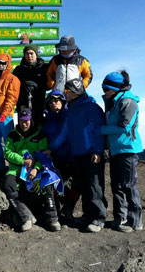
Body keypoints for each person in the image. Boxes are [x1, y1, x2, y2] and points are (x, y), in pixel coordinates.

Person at [54, 79, 107, 233]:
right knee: (83, 185)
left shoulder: (91, 107)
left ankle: (98, 219)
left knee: (94, 186)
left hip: (91, 153)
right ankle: (87, 216)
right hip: (77, 154)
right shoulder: (72, 109)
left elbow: (99, 130)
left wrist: (98, 151)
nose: (65, 94)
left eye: (67, 91)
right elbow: (64, 132)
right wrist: (51, 148)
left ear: (75, 92)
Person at [3, 108, 60, 232]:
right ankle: (26, 217)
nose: (24, 124)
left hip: (36, 169)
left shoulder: (40, 134)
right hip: (17, 169)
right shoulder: (12, 134)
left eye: (27, 121)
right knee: (9, 185)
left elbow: (43, 154)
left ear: (31, 120)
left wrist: (36, 168)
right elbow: (8, 153)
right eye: (22, 121)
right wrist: (22, 161)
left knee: (47, 182)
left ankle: (52, 218)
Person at [101, 71, 143, 233]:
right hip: (116, 149)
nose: (105, 92)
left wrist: (101, 130)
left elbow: (124, 126)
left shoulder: (128, 102)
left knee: (128, 185)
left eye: (106, 89)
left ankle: (135, 221)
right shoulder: (115, 100)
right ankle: (121, 218)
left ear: (115, 88)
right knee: (117, 185)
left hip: (127, 149)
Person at [41, 91, 75, 221]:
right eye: (50, 102)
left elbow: (64, 136)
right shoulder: (47, 121)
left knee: (77, 183)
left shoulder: (69, 117)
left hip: (69, 157)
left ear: (63, 102)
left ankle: (68, 209)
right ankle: (54, 211)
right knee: (49, 181)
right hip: (54, 159)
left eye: (56, 101)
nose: (53, 104)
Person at [13, 44, 49, 125]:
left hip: (39, 103)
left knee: (39, 126)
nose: (29, 56)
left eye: (31, 53)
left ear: (36, 54)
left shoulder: (44, 68)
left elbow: (49, 84)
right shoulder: (19, 70)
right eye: (27, 54)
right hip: (23, 104)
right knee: (25, 126)